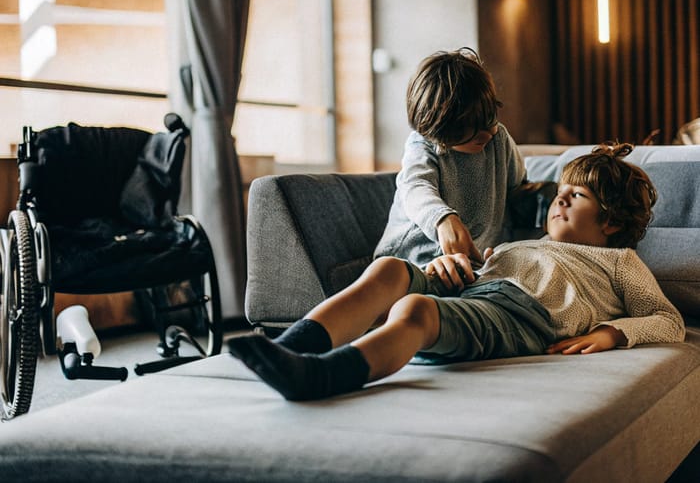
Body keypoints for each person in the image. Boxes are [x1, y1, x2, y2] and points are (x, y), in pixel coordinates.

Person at [228, 143, 686, 401]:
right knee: (390, 270)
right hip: (473, 289)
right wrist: (448, 266)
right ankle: (294, 346)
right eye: (561, 190)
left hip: (520, 317)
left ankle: (324, 376)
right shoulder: (521, 243)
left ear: (610, 221)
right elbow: (477, 274)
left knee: (416, 309)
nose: (560, 199)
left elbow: (668, 320)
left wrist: (610, 333)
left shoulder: (618, 261)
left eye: (577, 196)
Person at [373, 47, 526, 268]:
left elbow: (519, 189)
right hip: (412, 259)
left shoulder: (498, 138)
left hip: (469, 263)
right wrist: (442, 219)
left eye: (490, 116)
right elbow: (415, 186)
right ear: (440, 134)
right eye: (470, 128)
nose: (488, 132)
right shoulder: (423, 144)